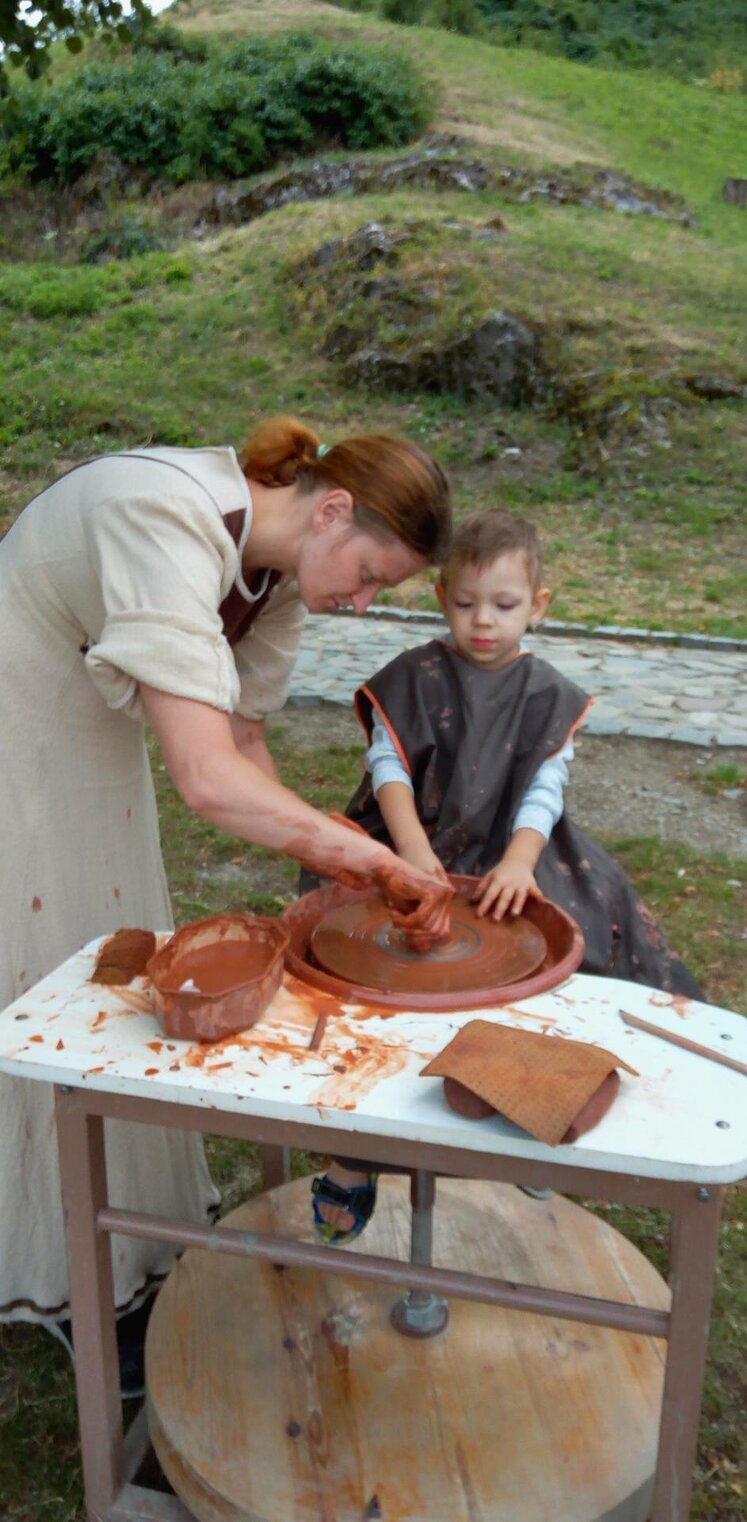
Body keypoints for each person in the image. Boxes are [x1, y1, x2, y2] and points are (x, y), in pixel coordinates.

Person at [0, 415, 453, 1393]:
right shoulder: (161, 513)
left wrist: (341, 861)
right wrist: (373, 863)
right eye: (372, 573)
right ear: (332, 510)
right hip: (15, 707)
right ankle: (73, 1279)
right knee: (44, 980)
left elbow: (243, 747)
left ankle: (128, 1246)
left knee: (113, 957)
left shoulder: (279, 577)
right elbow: (207, 781)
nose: (369, 602)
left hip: (84, 714)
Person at [309, 508, 703, 1241]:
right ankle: (351, 1157)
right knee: (361, 984)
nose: (482, 622)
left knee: (563, 944)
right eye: (464, 604)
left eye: (504, 605)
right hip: (409, 839)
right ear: (441, 600)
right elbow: (388, 766)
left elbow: (546, 790)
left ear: (539, 606)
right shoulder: (417, 675)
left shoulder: (546, 692)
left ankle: (529, 1102)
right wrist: (407, 851)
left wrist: (521, 861)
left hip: (512, 848)